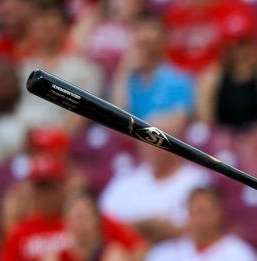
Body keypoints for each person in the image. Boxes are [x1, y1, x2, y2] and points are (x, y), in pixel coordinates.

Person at [0, 155, 136, 261]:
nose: (44, 195)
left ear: (63, 186)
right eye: (39, 187)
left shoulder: (85, 216)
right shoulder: (20, 232)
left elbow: (139, 249)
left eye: (50, 187)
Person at [99, 114, 211, 243]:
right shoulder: (125, 180)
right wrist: (152, 225)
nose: (155, 146)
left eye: (160, 140)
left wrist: (134, 226)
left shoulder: (196, 180)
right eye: (148, 139)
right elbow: (103, 224)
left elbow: (195, 227)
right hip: (127, 255)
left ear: (178, 144)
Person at [195, 6, 257, 136]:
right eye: (234, 44)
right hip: (221, 142)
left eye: (244, 43)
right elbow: (206, 125)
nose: (240, 51)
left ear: (254, 43)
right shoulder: (211, 76)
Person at [140, 185, 257, 261]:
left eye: (203, 211)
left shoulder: (240, 256)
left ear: (219, 213)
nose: (198, 218)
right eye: (193, 211)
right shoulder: (162, 256)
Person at [15, 1, 102, 132]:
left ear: (64, 27)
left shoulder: (84, 69)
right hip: (18, 142)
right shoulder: (21, 69)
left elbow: (82, 116)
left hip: (61, 143)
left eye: (49, 18)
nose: (43, 23)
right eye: (39, 19)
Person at [34, 189, 144, 261]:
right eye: (75, 217)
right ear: (66, 221)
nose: (80, 223)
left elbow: (141, 249)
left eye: (84, 217)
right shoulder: (56, 259)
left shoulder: (110, 254)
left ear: (97, 220)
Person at [110, 11, 196, 122]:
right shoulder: (126, 75)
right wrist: (124, 73)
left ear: (164, 39)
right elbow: (115, 118)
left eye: (149, 41)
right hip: (128, 135)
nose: (144, 36)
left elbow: (177, 122)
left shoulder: (179, 78)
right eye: (140, 32)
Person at [164, 0, 256, 75]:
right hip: (178, 81)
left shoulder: (236, 12)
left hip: (223, 81)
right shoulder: (173, 14)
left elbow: (246, 57)